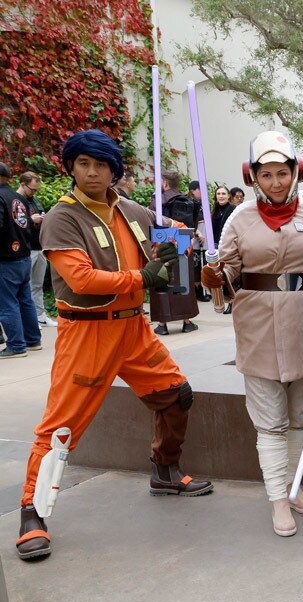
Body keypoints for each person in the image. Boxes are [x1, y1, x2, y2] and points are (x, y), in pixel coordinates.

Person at [15, 130, 212, 561]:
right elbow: (82, 279)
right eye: (83, 163)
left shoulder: (131, 210)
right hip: (87, 332)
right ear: (70, 166)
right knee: (61, 427)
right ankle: (32, 512)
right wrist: (144, 278)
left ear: (113, 171)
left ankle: (164, 470)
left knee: (175, 395)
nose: (92, 172)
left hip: (133, 330)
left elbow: (168, 233)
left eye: (101, 166)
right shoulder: (63, 218)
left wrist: (190, 238)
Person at [201, 131, 303, 536]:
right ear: (253, 176)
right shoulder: (238, 220)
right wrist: (214, 275)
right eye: (267, 174)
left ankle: (294, 488)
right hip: (258, 325)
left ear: (296, 172)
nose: (276, 182)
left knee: (301, 416)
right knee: (270, 420)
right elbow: (225, 274)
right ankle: (278, 499)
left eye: (283, 172)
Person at [0, 162, 42, 358]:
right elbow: (27, 226)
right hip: (23, 256)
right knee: (25, 300)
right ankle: (33, 340)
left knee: (7, 303)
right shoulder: (18, 198)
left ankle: (16, 345)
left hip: (5, 259)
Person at [151, 173, 200, 333]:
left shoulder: (158, 201)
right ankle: (187, 321)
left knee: (162, 278)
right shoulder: (187, 200)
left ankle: (163, 324)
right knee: (184, 278)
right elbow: (192, 225)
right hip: (184, 240)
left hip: (162, 242)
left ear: (165, 183)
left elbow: (151, 222)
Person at [17, 171, 54, 328]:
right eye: (32, 189)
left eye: (36, 189)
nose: (34, 192)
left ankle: (40, 315)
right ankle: (30, 319)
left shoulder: (35, 200)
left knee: (37, 285)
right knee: (26, 285)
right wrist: (31, 220)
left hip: (39, 247)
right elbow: (15, 224)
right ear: (23, 184)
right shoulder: (16, 201)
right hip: (26, 249)